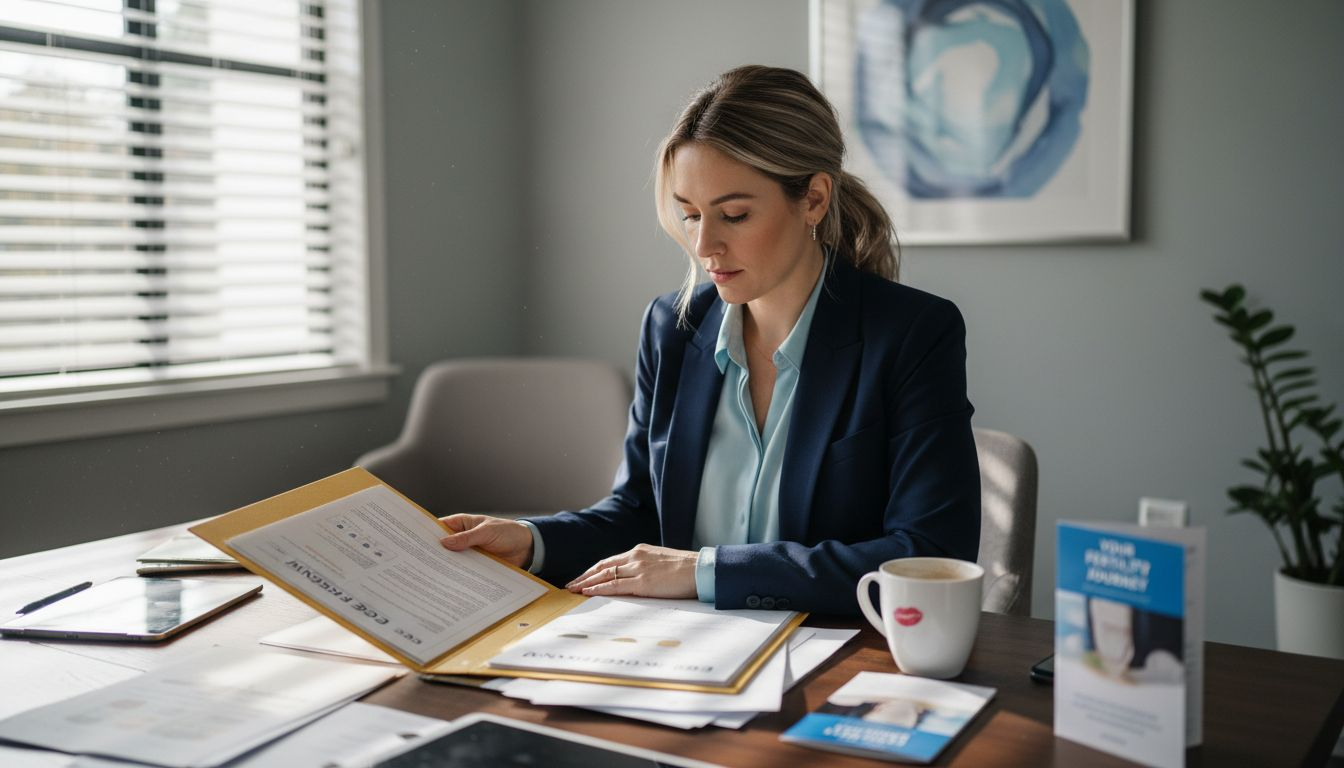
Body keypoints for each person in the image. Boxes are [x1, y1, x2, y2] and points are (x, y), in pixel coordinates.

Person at [440, 65, 979, 615]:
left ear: (814, 199)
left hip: (829, 653)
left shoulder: (913, 334)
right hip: (681, 647)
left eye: (734, 215)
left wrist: (704, 570)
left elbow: (929, 552)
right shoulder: (671, 328)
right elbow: (639, 512)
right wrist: (533, 541)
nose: (704, 245)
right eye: (690, 214)